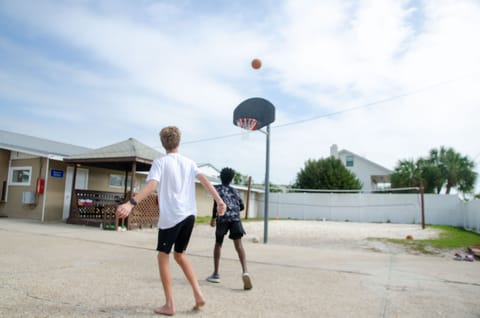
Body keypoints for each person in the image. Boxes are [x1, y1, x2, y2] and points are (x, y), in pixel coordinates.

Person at [116, 126, 226, 316]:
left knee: (163, 255)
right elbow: (205, 181)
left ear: (162, 143)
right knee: (180, 254)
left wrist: (131, 202)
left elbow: (151, 185)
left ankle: (169, 305)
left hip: (172, 216)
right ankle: (198, 294)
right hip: (189, 215)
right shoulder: (190, 162)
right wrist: (219, 201)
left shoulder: (160, 162)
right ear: (179, 141)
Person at [206, 167, 252, 290]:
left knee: (218, 244)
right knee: (239, 246)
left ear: (221, 177)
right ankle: (245, 271)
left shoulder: (218, 189)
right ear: (232, 179)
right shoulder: (235, 191)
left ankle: (216, 274)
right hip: (236, 220)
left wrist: (213, 218)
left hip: (222, 219)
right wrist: (234, 210)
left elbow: (216, 203)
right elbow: (241, 206)